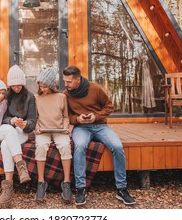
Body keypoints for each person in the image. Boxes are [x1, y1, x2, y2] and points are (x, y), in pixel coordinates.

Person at [62, 65, 136, 206]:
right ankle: (80, 188)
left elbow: (109, 106)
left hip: (100, 125)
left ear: (78, 79)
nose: (66, 84)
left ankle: (121, 189)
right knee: (80, 146)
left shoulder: (95, 88)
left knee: (117, 146)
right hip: (81, 128)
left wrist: (96, 116)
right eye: (65, 81)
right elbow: (66, 115)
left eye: (69, 81)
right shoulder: (66, 94)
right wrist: (77, 119)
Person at [0, 65, 36, 206]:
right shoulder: (5, 95)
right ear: (9, 85)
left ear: (23, 84)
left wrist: (25, 124)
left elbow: (32, 120)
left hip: (20, 132)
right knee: (8, 128)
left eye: (19, 85)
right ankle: (21, 166)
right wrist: (11, 120)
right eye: (13, 86)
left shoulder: (30, 97)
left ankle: (7, 189)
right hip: (4, 129)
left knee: (6, 145)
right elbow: (1, 117)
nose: (16, 88)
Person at [34, 67, 73, 203]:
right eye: (41, 86)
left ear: (51, 85)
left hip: (59, 130)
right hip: (43, 131)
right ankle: (41, 182)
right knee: (40, 147)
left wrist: (65, 127)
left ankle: (66, 182)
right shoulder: (37, 98)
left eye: (45, 86)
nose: (42, 89)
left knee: (65, 146)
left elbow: (66, 117)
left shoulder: (61, 97)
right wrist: (36, 128)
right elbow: (35, 118)